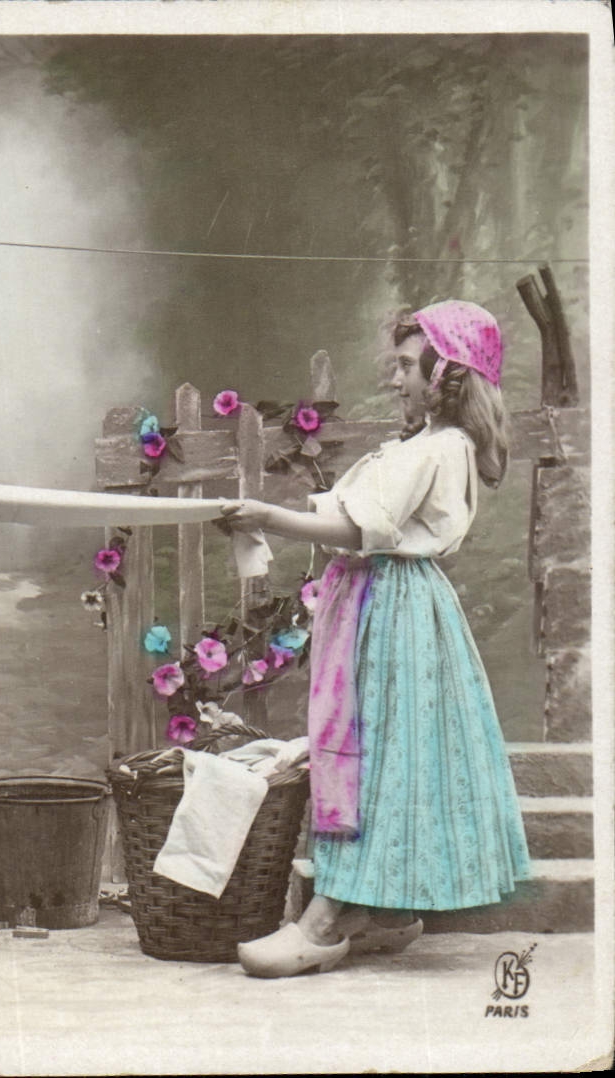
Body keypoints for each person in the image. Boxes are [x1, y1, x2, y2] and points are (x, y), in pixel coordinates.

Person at [220, 300, 530, 978]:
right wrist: (264, 515)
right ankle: (381, 913)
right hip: (380, 601)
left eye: (405, 366)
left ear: (445, 374)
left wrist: (267, 516)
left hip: (394, 607)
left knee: (379, 753)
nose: (394, 379)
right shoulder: (421, 447)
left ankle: (328, 919)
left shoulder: (441, 449)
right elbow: (350, 514)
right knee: (382, 751)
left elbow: (361, 529)